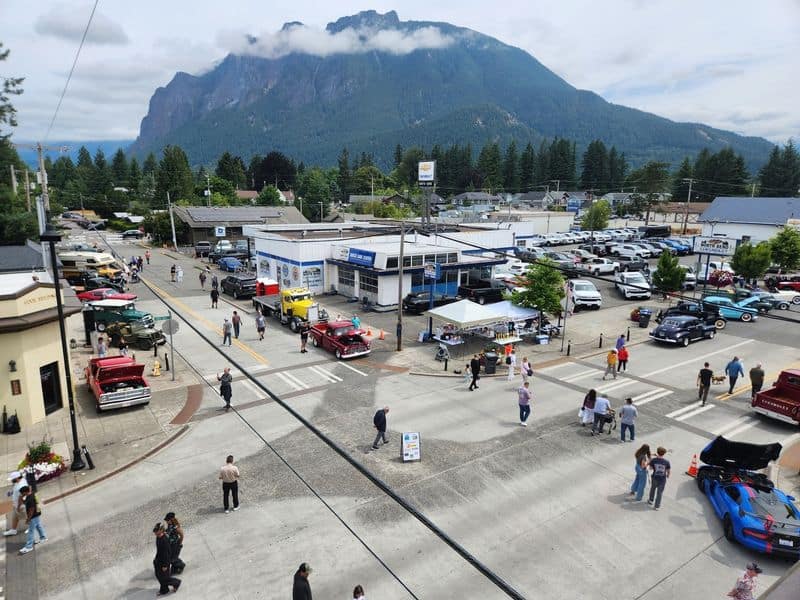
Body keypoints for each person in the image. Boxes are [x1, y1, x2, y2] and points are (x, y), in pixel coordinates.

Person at [153, 522, 181, 595]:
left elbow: (167, 554)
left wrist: (165, 565)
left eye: (157, 531)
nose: (155, 532)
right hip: (158, 561)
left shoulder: (164, 540)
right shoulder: (158, 537)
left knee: (165, 578)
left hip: (164, 562)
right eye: (155, 531)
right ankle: (164, 590)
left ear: (161, 530)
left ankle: (176, 583)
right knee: (159, 576)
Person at [18, 485, 46, 554]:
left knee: (30, 531)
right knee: (38, 526)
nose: (21, 494)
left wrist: (28, 519)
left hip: (33, 516)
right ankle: (43, 537)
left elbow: (31, 509)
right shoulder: (31, 494)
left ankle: (29, 547)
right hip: (36, 514)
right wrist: (22, 499)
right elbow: (27, 503)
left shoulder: (30, 498)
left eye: (22, 493)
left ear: (25, 492)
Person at [3, 471, 28, 537]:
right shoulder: (19, 481)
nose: (11, 481)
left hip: (20, 505)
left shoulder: (21, 485)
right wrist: (11, 492)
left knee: (27, 516)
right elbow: (16, 490)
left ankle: (31, 528)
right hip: (16, 504)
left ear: (16, 478)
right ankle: (13, 530)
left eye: (12, 479)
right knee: (15, 517)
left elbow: (21, 497)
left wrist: (19, 506)